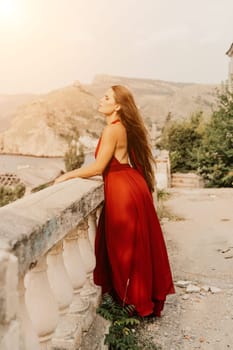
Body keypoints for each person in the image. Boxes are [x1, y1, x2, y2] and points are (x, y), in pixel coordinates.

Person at [55, 85, 175, 317]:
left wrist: (68, 174)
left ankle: (132, 304)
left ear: (118, 105)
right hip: (132, 185)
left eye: (107, 97)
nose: (101, 99)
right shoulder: (124, 127)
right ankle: (138, 301)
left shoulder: (112, 130)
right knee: (135, 246)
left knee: (125, 249)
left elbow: (99, 167)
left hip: (123, 190)